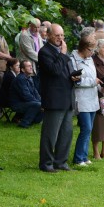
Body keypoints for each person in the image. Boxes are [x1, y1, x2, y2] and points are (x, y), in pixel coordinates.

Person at [38, 24, 80, 172]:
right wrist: (62, 54)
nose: (60, 39)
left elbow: (65, 70)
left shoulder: (63, 52)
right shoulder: (44, 52)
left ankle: (61, 162)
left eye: (62, 35)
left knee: (66, 133)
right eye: (57, 35)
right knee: (51, 134)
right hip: (54, 99)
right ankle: (46, 164)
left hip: (67, 97)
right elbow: (54, 71)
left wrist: (75, 77)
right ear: (48, 35)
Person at [70, 34, 100, 166]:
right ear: (83, 48)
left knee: (90, 128)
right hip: (81, 98)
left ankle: (84, 156)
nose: (92, 53)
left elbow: (94, 75)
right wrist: (93, 81)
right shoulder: (73, 60)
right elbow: (76, 81)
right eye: (91, 50)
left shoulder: (90, 59)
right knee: (86, 128)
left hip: (92, 97)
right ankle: (78, 158)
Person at [10, 60, 43, 128]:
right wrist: (40, 104)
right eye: (28, 66)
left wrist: (42, 102)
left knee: (43, 104)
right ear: (22, 69)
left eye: (31, 66)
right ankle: (24, 123)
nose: (31, 67)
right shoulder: (20, 79)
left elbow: (35, 92)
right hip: (17, 104)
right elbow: (26, 96)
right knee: (37, 105)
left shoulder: (29, 78)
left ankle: (33, 121)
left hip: (25, 102)